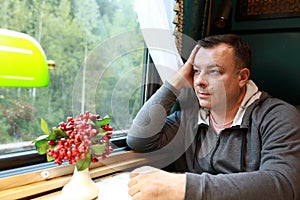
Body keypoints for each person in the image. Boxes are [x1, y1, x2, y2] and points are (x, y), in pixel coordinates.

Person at [126, 34, 300, 200]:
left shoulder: (278, 116)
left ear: (242, 77)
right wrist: (176, 82)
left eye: (214, 72)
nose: (199, 81)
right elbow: (139, 139)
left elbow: (283, 186)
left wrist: (183, 186)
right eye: (196, 71)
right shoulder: (189, 117)